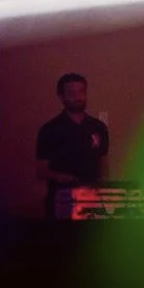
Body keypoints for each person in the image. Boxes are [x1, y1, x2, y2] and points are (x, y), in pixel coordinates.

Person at [36, 72, 110, 219]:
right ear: (61, 97)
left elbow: (103, 161)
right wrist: (59, 176)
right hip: (62, 200)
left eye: (81, 92)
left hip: (92, 200)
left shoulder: (98, 127)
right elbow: (41, 170)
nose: (78, 97)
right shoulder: (50, 129)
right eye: (72, 93)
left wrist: (105, 188)